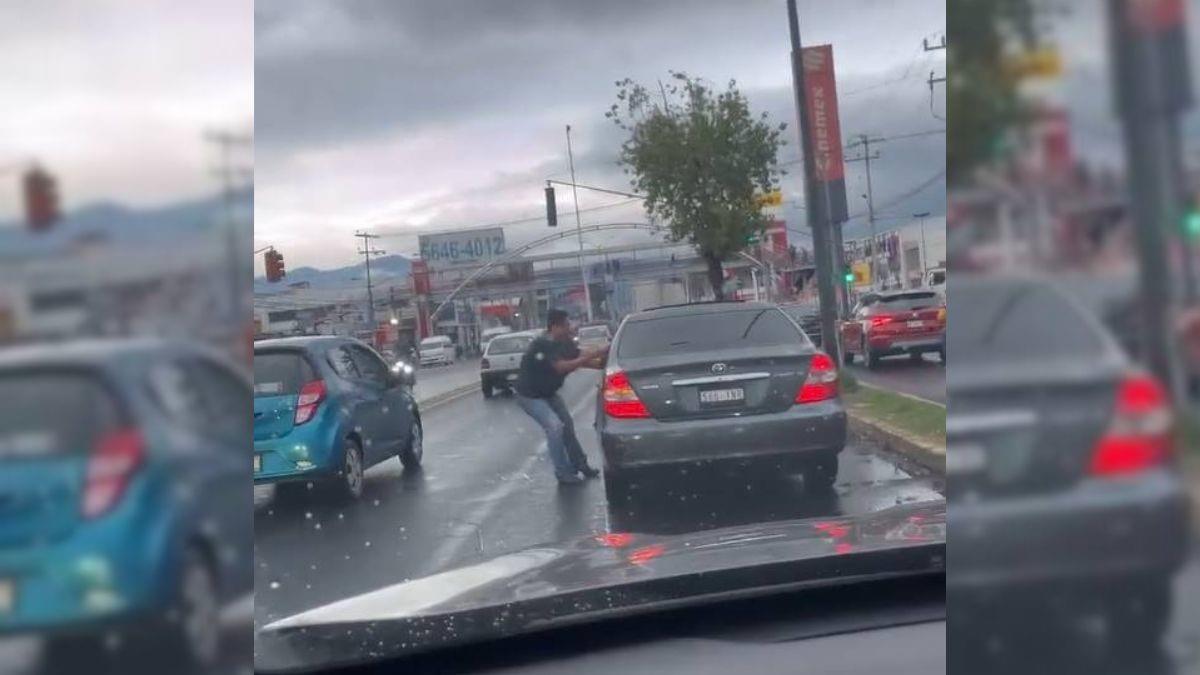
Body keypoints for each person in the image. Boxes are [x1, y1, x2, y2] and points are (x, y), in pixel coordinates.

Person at [515, 309, 607, 484]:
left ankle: (580, 464)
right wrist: (597, 354)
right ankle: (562, 472)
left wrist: (603, 361)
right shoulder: (543, 344)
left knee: (567, 426)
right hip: (530, 395)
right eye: (565, 325)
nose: (569, 328)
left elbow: (580, 356)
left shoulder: (564, 343)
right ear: (554, 327)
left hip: (548, 393)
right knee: (555, 427)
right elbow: (561, 367)